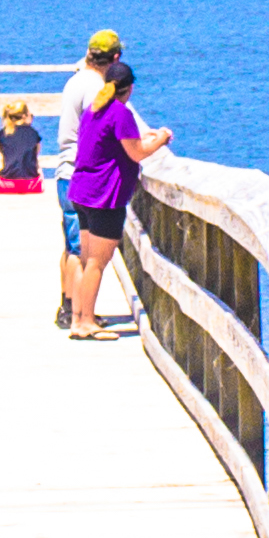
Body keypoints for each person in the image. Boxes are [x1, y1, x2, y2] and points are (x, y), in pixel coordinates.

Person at [59, 51, 168, 338]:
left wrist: (145, 138)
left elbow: (113, 142)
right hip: (104, 196)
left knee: (85, 258)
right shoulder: (122, 112)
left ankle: (78, 320)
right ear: (130, 88)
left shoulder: (95, 109)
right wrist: (161, 139)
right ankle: (85, 323)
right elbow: (136, 152)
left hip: (81, 190)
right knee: (97, 261)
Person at [51, 26, 118, 303]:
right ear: (115, 59)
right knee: (84, 252)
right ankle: (79, 314)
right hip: (83, 176)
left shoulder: (75, 81)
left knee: (71, 246)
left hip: (64, 172)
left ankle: (67, 304)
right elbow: (98, 129)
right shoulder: (95, 87)